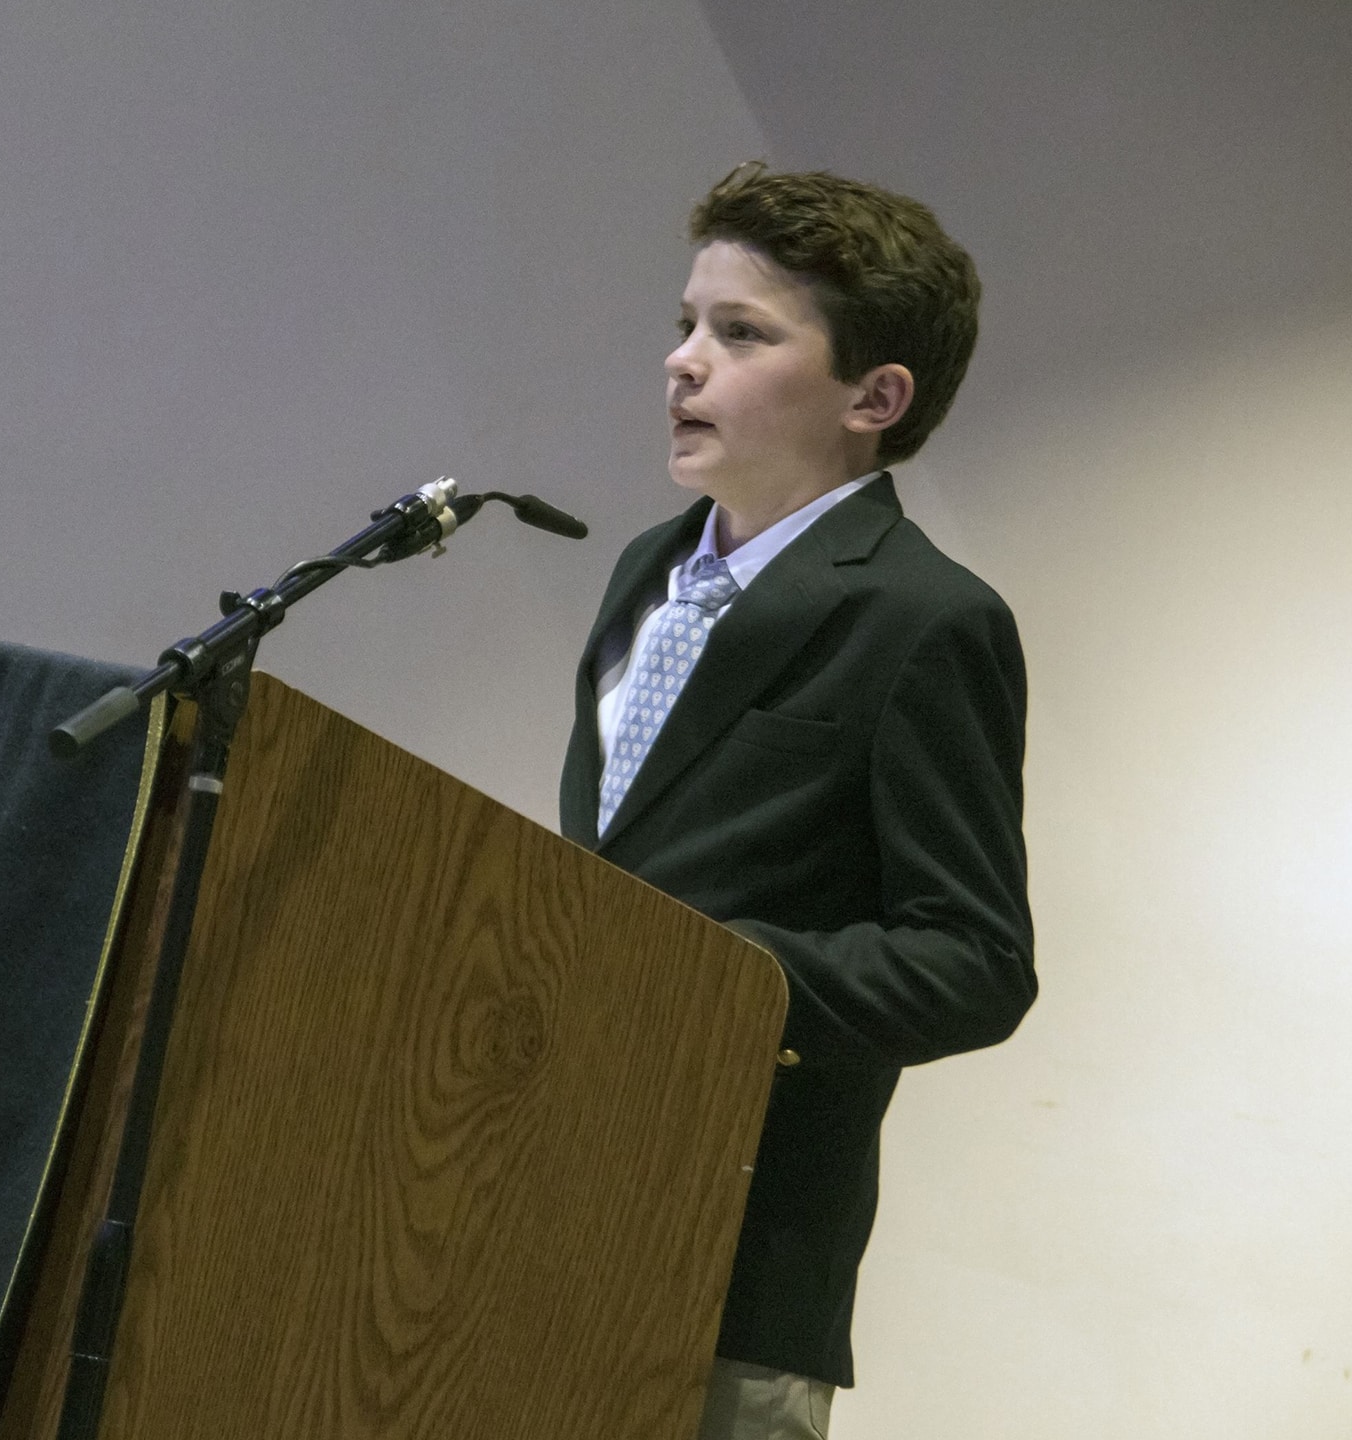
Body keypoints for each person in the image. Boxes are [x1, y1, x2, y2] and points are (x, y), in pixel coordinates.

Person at [559, 163, 1036, 1439]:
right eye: (686, 323)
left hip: (737, 1262)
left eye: (742, 333)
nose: (682, 362)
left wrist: (712, 975)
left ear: (876, 397)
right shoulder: (642, 574)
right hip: (542, 1207)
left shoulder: (925, 620)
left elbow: (975, 964)